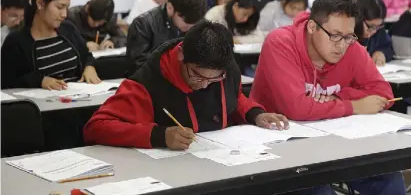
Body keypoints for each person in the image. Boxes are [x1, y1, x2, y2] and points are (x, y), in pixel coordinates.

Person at [250, 0, 406, 195]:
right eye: (334, 35)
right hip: (281, 146)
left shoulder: (351, 48)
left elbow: (384, 93)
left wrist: (340, 96)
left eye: (349, 36)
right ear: (312, 27)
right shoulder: (281, 43)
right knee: (318, 188)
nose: (341, 45)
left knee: (388, 179)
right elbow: (296, 108)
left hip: (335, 140)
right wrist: (355, 106)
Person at [84, 20, 289, 149]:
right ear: (182, 54)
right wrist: (158, 136)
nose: (204, 85)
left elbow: (232, 99)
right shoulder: (149, 83)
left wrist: (255, 114)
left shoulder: (225, 70)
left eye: (214, 79)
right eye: (198, 76)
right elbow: (96, 127)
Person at [1, 0, 101, 89]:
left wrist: (89, 66)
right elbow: (7, 82)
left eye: (66, 8)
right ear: (40, 3)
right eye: (59, 7)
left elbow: (86, 56)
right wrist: (39, 81)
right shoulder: (16, 41)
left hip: (78, 97)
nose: (64, 14)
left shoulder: (68, 29)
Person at [126, 0, 206, 76]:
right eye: (186, 21)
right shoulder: (143, 25)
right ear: (170, 8)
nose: (190, 27)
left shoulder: (201, 23)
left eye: (195, 23)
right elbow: (139, 69)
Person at [354, 0, 393, 65]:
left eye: (378, 26)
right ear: (358, 20)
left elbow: (388, 48)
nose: (374, 31)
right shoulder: (347, 35)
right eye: (371, 26)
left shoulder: (378, 29)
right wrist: (364, 39)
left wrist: (381, 53)